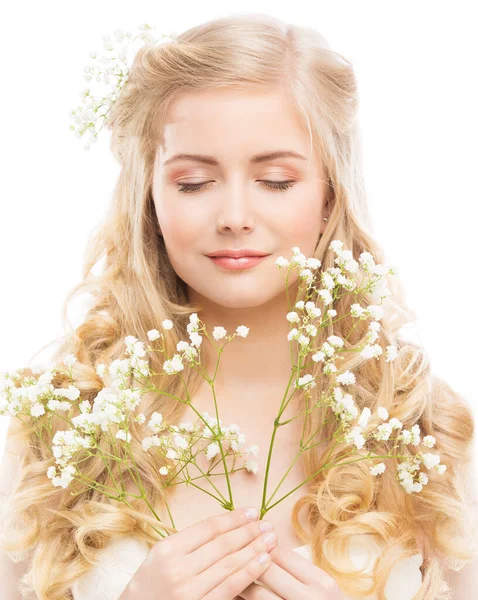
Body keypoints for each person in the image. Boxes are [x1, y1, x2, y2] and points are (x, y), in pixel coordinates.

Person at [1, 12, 477, 600]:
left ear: (332, 194)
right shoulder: (56, 432)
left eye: (275, 181)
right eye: (194, 182)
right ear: (148, 198)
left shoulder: (425, 432)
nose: (233, 216)